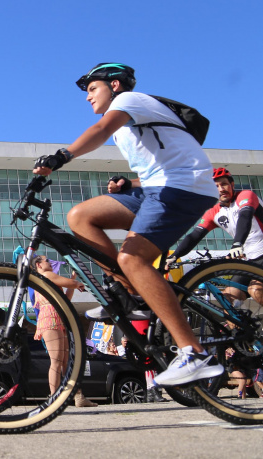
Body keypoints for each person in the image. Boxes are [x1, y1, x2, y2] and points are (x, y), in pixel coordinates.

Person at [32, 63, 223, 387]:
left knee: (131, 257)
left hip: (183, 190)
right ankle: (127, 297)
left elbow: (99, 132)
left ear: (115, 85)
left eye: (93, 89)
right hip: (156, 188)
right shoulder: (128, 125)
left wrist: (61, 156)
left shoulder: (129, 102)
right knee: (80, 216)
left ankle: (193, 352)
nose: (88, 97)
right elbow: (159, 166)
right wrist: (129, 183)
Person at [167, 167, 263, 322]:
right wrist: (175, 256)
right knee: (227, 298)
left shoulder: (246, 195)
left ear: (232, 184)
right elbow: (195, 236)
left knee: (257, 291)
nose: (221, 189)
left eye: (223, 184)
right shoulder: (213, 212)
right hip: (251, 261)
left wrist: (237, 244)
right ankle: (237, 342)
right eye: (215, 187)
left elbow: (245, 217)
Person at [31, 255, 97, 407]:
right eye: (46, 260)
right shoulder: (46, 275)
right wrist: (76, 282)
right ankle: (55, 398)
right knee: (57, 360)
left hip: (58, 317)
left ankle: (77, 395)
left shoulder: (47, 277)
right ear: (39, 265)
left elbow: (66, 297)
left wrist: (74, 279)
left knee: (65, 360)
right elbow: (71, 284)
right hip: (51, 318)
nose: (50, 262)